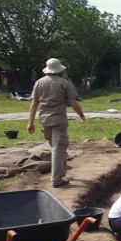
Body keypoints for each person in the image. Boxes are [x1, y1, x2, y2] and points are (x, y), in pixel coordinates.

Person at [27, 58, 86, 188]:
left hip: (45, 120)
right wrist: (81, 115)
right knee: (58, 148)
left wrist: (30, 123)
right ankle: (56, 180)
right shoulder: (65, 83)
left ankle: (62, 171)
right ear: (59, 69)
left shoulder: (39, 83)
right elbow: (74, 104)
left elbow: (34, 104)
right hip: (59, 119)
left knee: (57, 146)